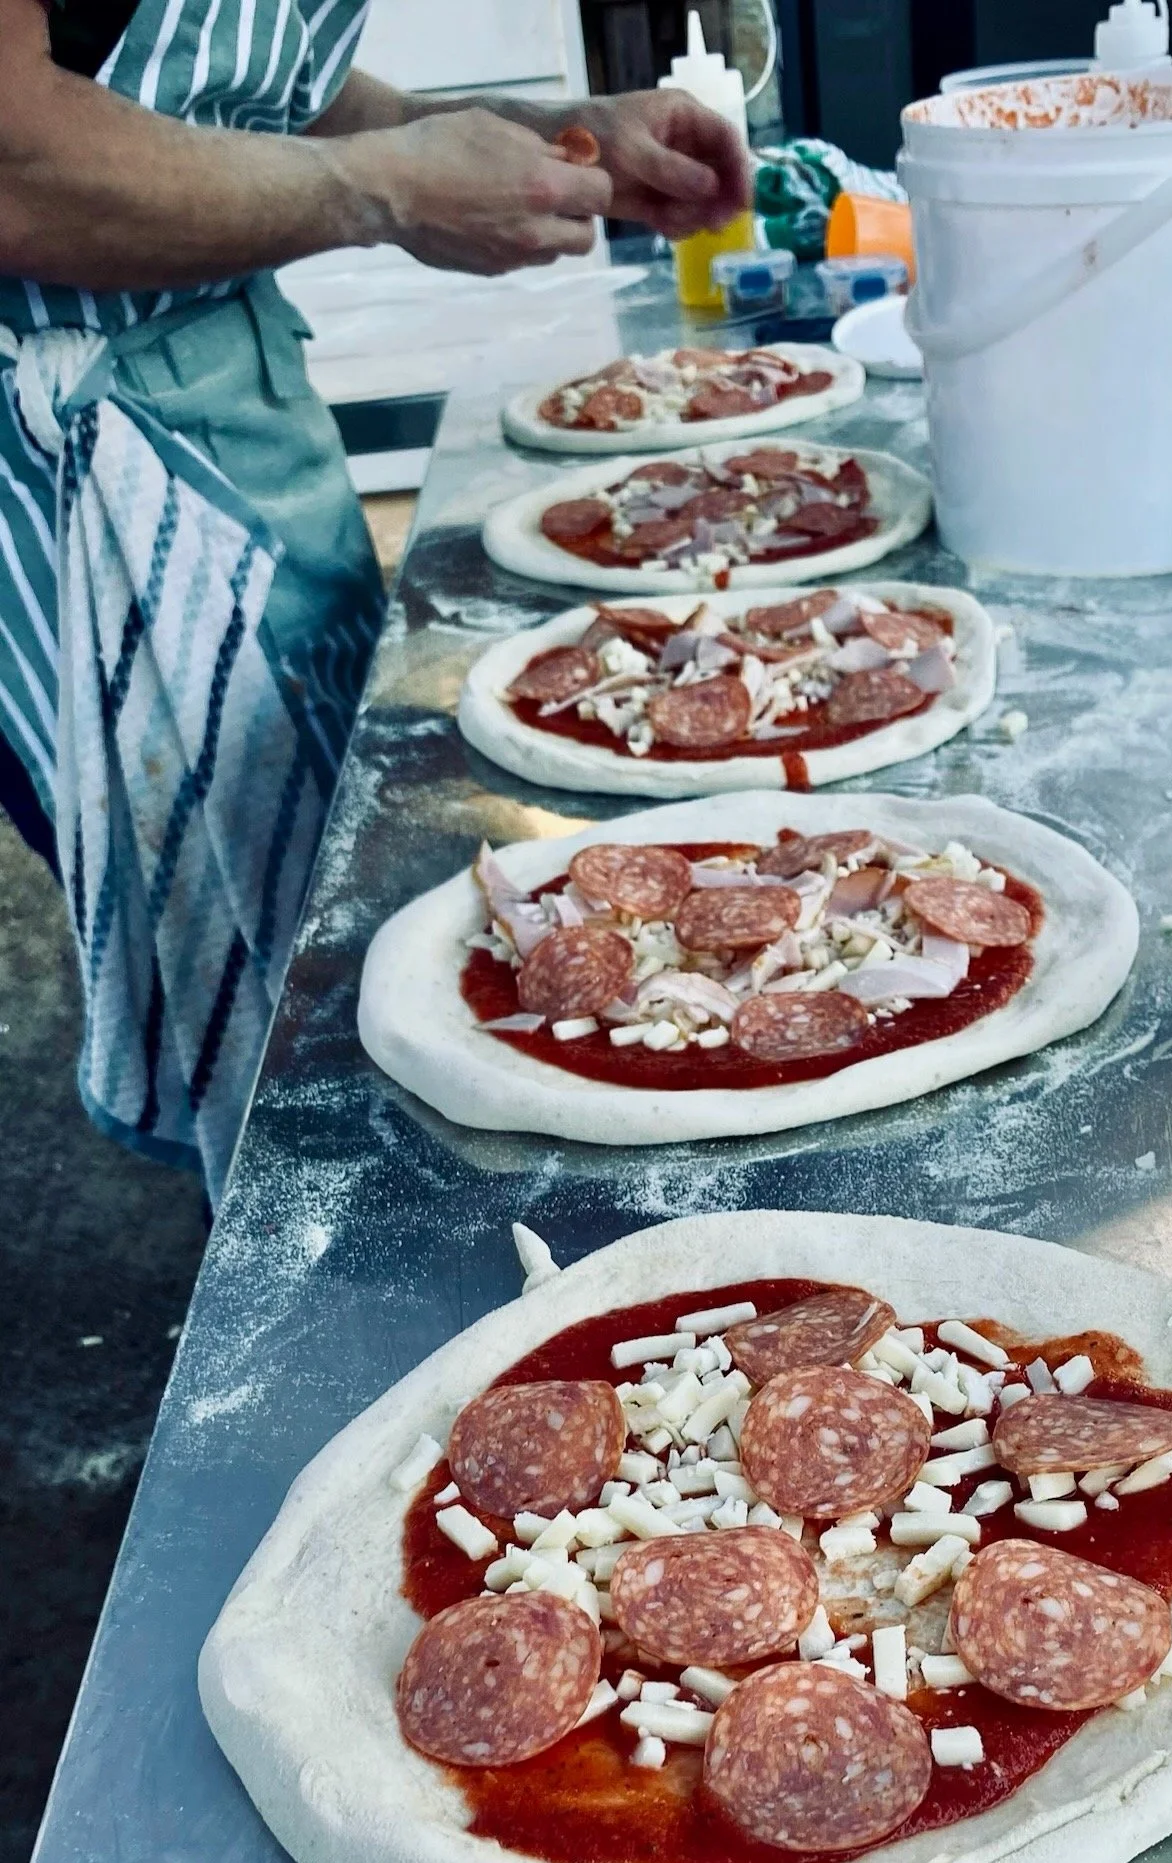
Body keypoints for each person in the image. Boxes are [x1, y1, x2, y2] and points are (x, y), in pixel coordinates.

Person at [0, 0, 750, 1192]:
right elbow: (16, 154)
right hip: (66, 452)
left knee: (328, 907)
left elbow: (247, 80)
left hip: (224, 396)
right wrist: (382, 188)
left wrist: (517, 129)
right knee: (273, 1010)